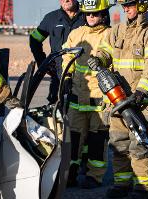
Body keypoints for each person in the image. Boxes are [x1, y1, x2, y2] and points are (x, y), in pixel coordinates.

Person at [89, 0, 148, 199]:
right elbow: (106, 51)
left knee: (141, 147)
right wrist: (99, 59)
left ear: (141, 5)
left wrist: (140, 92)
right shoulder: (117, 30)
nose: (126, 9)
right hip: (117, 100)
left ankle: (144, 189)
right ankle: (122, 184)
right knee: (120, 145)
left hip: (141, 102)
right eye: (123, 6)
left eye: (130, 4)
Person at [61, 0, 111, 189]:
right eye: (89, 14)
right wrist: (65, 77)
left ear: (103, 14)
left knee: (97, 140)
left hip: (99, 98)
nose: (91, 17)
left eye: (96, 14)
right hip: (77, 97)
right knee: (73, 140)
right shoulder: (76, 34)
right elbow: (67, 57)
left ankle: (94, 176)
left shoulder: (109, 34)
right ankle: (70, 174)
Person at [29, 0, 85, 104]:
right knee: (55, 112)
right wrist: (43, 63)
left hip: (84, 78)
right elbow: (35, 39)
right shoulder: (51, 18)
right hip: (58, 78)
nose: (66, 0)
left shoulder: (89, 16)